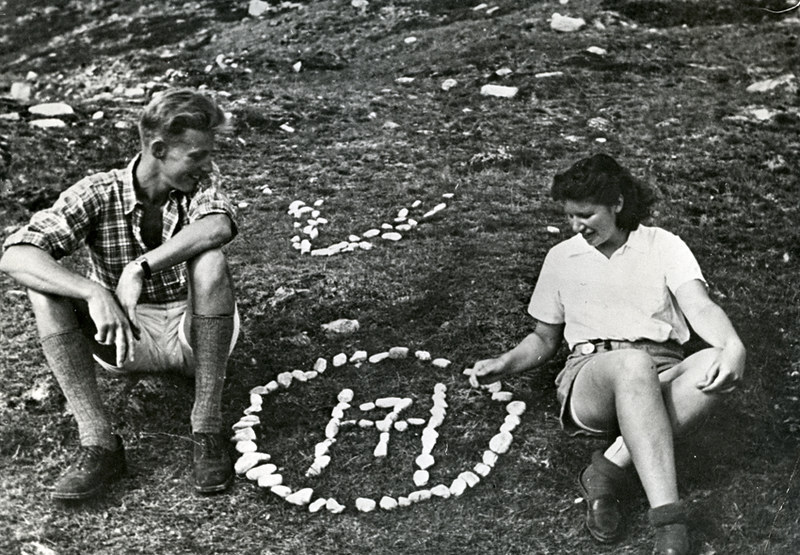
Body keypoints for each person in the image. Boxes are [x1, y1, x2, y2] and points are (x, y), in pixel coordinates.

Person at [465, 153, 746, 555]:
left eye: (586, 215)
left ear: (617, 203)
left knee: (712, 362)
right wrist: (504, 363)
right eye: (570, 217)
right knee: (632, 364)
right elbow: (544, 339)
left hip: (662, 369)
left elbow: (699, 306)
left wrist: (733, 345)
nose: (577, 227)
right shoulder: (562, 258)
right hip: (593, 376)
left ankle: (607, 469)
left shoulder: (662, 244)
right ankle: (669, 522)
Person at [0, 88, 240, 501]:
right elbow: (16, 254)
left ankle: (208, 427)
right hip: (126, 335)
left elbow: (218, 225)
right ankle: (99, 443)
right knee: (43, 291)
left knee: (211, 261)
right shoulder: (97, 192)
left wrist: (139, 267)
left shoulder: (203, 185)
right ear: (159, 148)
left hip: (194, 330)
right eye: (196, 156)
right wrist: (93, 292)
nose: (206, 165)